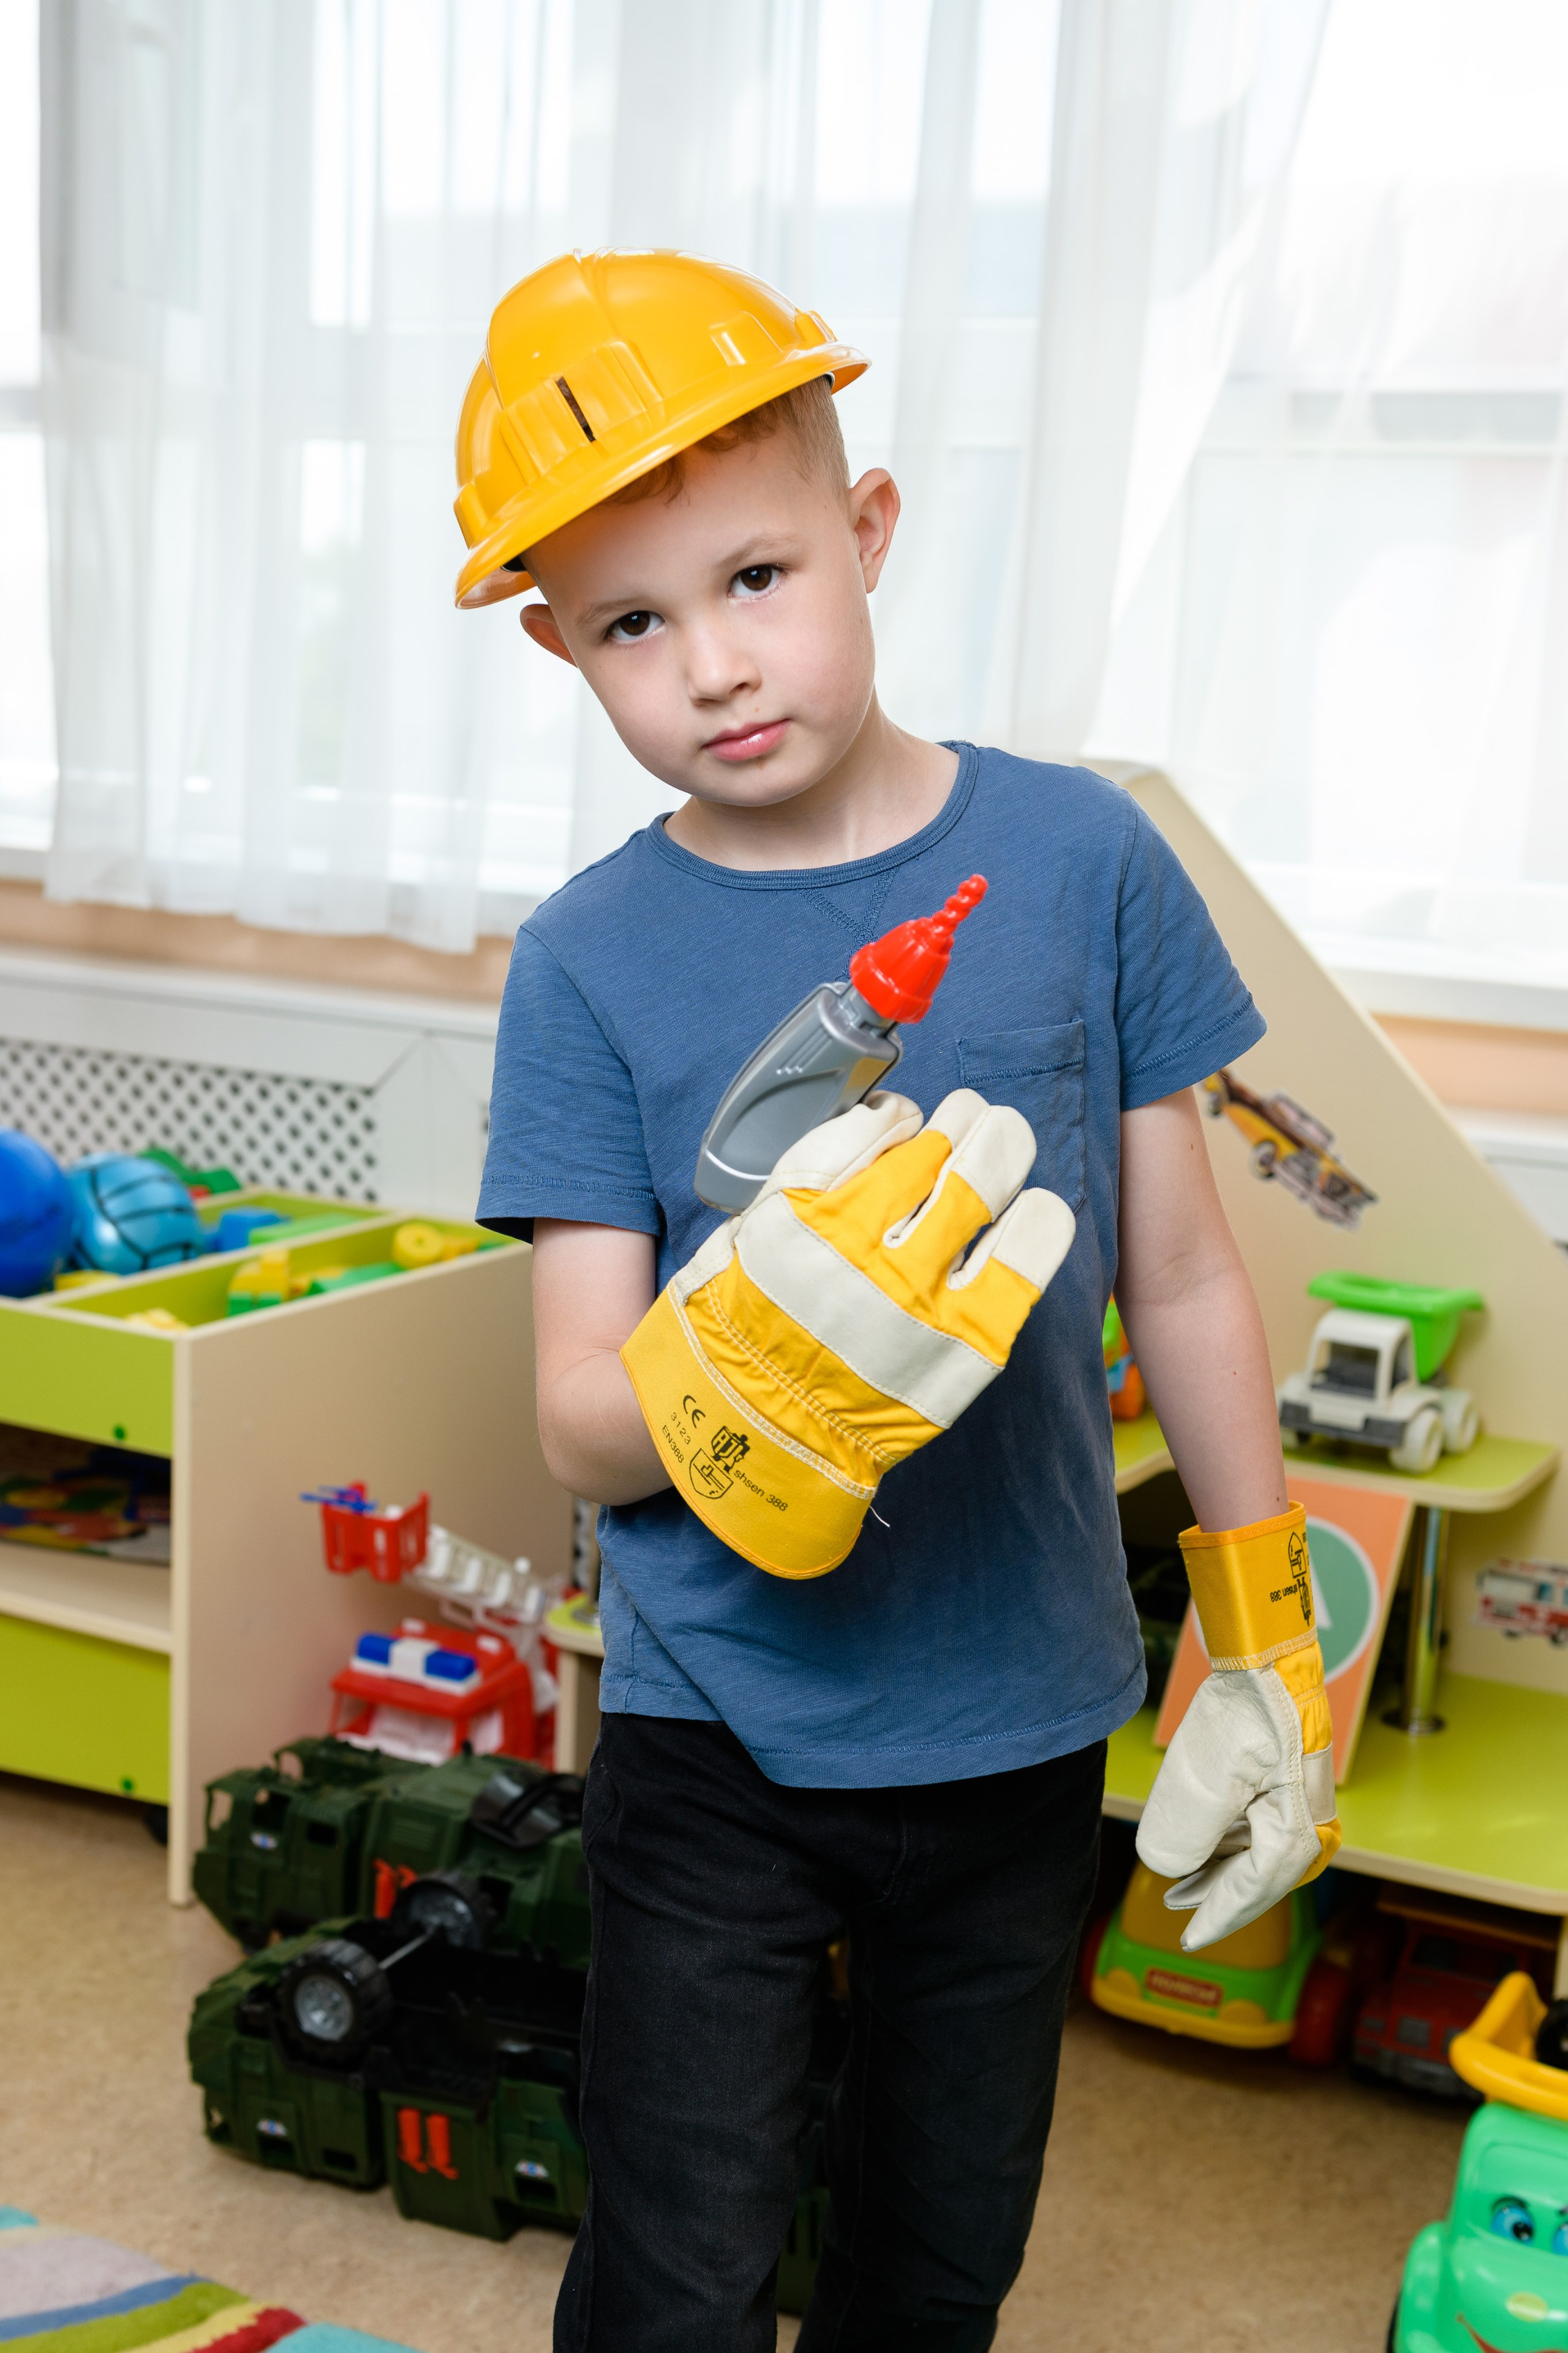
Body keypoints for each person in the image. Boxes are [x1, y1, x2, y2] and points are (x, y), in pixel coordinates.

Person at [466, 251, 1338, 2352]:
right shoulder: (584, 960)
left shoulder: (1083, 860)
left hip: (1019, 1716)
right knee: (675, 2275)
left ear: (867, 531)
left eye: (759, 574)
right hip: (717, 1724)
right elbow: (573, 1416)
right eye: (634, 624)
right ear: (560, 649)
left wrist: (1272, 1642)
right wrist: (724, 1364)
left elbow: (1193, 1269)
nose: (714, 665)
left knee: (935, 2269)